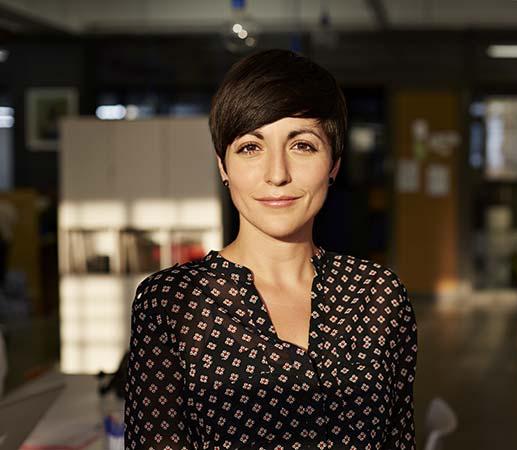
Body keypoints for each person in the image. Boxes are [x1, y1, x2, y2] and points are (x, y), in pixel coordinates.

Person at [124, 49, 418, 450]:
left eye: (302, 146)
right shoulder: (172, 303)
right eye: (250, 147)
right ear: (223, 166)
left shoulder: (378, 296)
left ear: (333, 164)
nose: (277, 174)